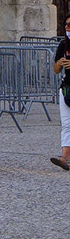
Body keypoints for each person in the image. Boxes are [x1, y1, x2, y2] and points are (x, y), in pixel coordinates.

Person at [51, 15, 70, 171]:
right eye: (66, 24)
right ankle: (64, 158)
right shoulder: (63, 44)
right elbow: (56, 70)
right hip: (66, 88)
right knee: (66, 124)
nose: (67, 27)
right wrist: (59, 63)